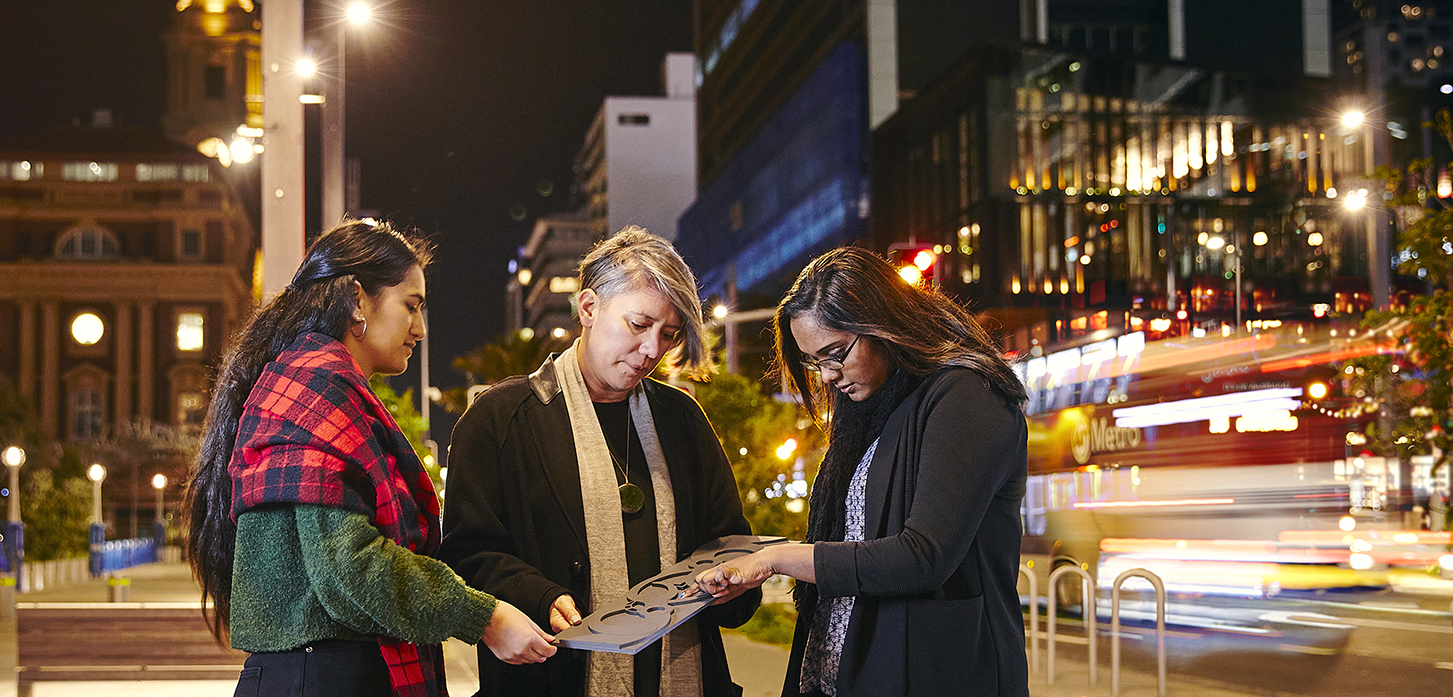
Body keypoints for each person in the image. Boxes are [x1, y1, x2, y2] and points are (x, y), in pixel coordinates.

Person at [184, 220, 555, 697]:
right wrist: (485, 616)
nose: (419, 328)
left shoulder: (304, 379)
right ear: (357, 300)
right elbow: (350, 569)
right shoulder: (316, 386)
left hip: (315, 674)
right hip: (327, 677)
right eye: (411, 306)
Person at [693, 246, 1030, 697]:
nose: (828, 375)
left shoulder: (967, 396)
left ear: (883, 324)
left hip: (935, 673)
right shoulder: (868, 409)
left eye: (835, 354)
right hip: (843, 673)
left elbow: (922, 557)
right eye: (815, 362)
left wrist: (776, 559)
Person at [439, 227, 761, 697]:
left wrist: (732, 581)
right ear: (588, 308)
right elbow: (467, 554)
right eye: (638, 325)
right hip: (550, 677)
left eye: (668, 335)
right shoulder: (499, 419)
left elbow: (730, 541)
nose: (652, 350)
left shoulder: (681, 419)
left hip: (683, 678)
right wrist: (539, 594)